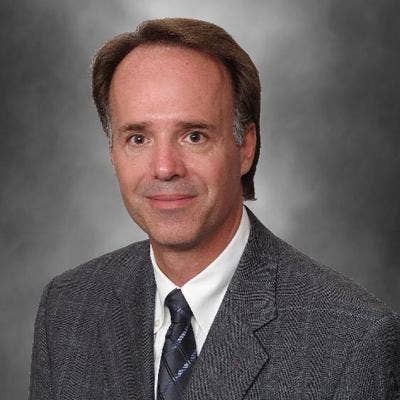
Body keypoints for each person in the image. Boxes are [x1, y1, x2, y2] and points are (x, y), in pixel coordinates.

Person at [29, 18, 400, 400]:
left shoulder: (352, 340)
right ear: (112, 153)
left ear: (245, 147)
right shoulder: (67, 309)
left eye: (194, 136)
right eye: (138, 138)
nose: (164, 168)